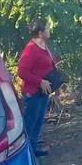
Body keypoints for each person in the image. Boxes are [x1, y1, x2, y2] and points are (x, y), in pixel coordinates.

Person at [18, 19, 57, 157]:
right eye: (47, 28)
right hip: (33, 92)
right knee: (30, 121)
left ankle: (33, 149)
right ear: (40, 33)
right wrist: (40, 81)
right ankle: (25, 153)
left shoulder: (44, 46)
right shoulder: (31, 49)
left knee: (39, 120)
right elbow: (22, 72)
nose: (49, 30)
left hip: (43, 91)